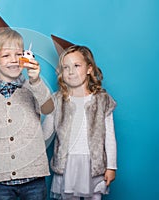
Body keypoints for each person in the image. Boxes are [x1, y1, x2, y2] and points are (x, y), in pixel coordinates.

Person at [0, 27, 54, 200]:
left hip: (34, 177)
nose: (14, 60)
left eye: (18, 54)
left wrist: (36, 79)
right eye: (6, 56)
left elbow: (48, 108)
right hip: (0, 181)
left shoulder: (34, 88)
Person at [43, 45, 117, 200]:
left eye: (76, 66)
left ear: (89, 68)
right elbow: (46, 134)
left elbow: (109, 136)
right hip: (67, 163)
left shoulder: (102, 100)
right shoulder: (57, 100)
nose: (71, 72)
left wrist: (111, 167)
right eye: (66, 67)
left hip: (93, 164)